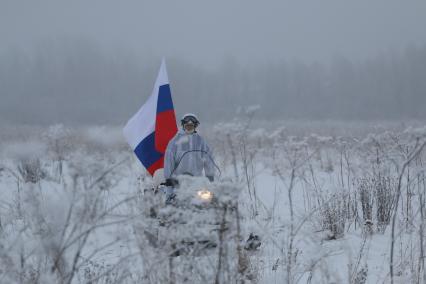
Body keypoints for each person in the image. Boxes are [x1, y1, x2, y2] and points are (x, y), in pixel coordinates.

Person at [164, 113, 215, 183]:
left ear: (195, 126)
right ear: (183, 126)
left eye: (191, 126)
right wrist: (168, 178)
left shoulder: (201, 142)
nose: (189, 127)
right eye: (187, 126)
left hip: (197, 181)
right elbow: (169, 161)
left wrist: (210, 175)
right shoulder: (174, 142)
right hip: (178, 181)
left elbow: (208, 158)